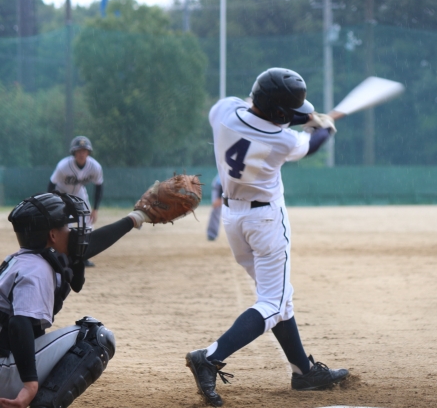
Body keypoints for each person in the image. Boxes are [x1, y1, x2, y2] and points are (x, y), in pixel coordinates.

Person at [185, 67, 348, 407]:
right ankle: (210, 357)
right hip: (266, 222)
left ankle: (304, 372)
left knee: (279, 299)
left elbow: (256, 111)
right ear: (279, 113)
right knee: (272, 302)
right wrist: (325, 126)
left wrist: (305, 117)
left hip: (233, 219)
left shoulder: (223, 110)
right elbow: (311, 144)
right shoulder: (283, 140)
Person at [0, 192, 151, 408]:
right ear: (53, 235)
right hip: (3, 368)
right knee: (95, 336)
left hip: (4, 359)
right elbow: (19, 323)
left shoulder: (24, 259)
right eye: (67, 227)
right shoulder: (37, 270)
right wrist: (30, 384)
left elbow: (90, 246)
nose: (74, 232)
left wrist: (135, 218)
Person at [48, 136, 104, 267]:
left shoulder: (95, 166)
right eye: (79, 151)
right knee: (64, 226)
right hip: (61, 194)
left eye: (84, 150)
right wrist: (51, 204)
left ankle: (83, 257)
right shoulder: (63, 166)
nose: (81, 153)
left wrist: (95, 209)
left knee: (87, 224)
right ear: (74, 152)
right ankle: (63, 256)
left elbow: (99, 186)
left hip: (79, 194)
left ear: (88, 152)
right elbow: (51, 184)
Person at [206, 175, 223, 241]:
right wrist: (219, 197)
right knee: (216, 208)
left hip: (232, 185)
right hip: (220, 186)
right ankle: (212, 234)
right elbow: (222, 179)